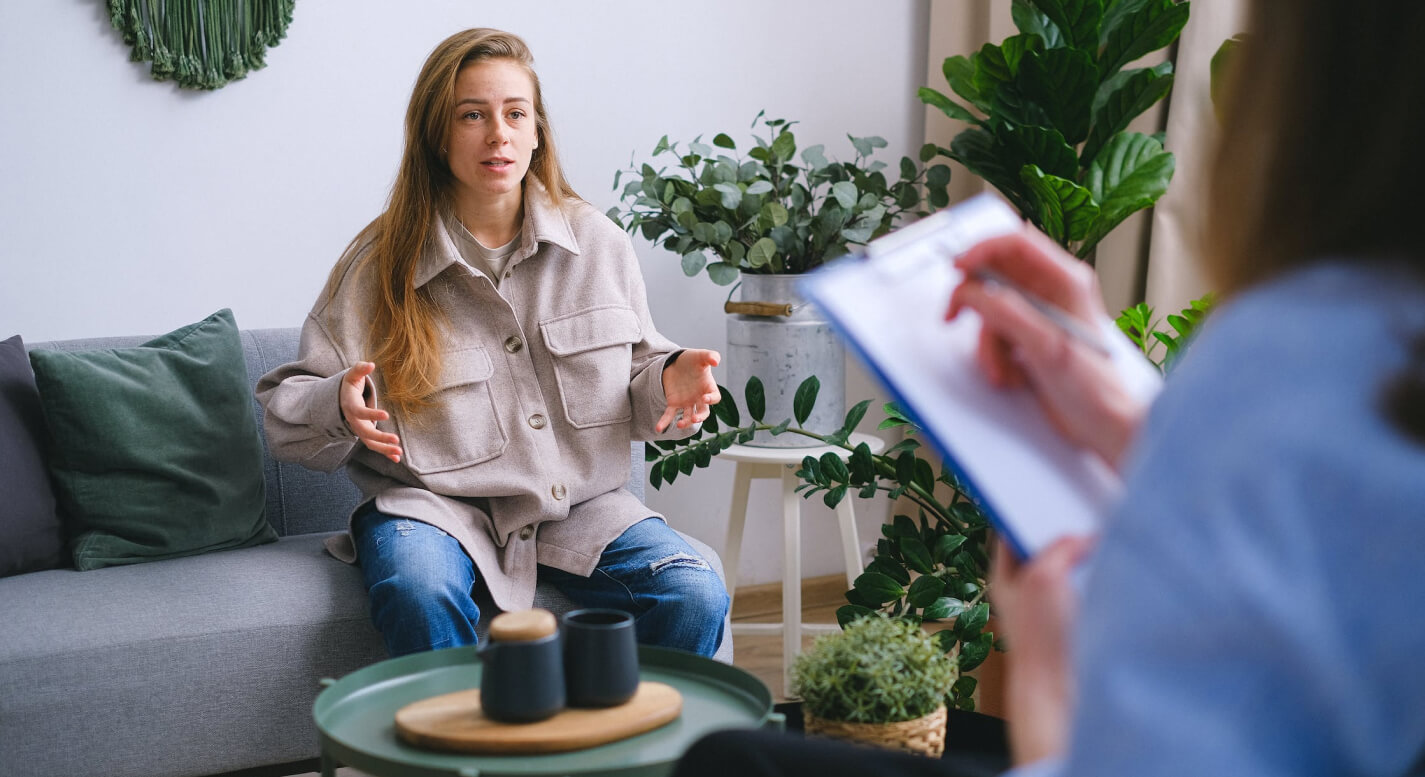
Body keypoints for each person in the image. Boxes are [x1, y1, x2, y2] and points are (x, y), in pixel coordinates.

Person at [674, 0, 1425, 774]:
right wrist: (1130, 410)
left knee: (735, 760)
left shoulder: (1320, 344)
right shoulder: (1367, 361)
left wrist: (1047, 671)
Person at [256, 28, 730, 659]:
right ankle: (462, 754)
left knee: (694, 592)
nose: (497, 134)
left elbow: (641, 375)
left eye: (515, 114)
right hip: (431, 512)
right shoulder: (375, 265)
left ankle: (630, 754)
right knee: (417, 589)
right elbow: (285, 413)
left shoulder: (599, 244)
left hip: (580, 511)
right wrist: (338, 406)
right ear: (437, 134)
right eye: (471, 115)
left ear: (538, 132)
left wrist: (669, 380)